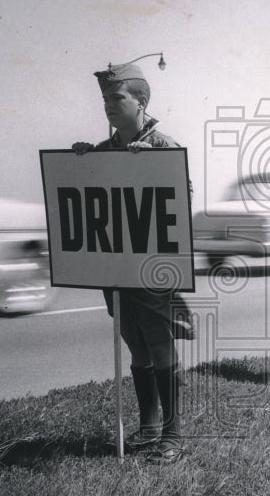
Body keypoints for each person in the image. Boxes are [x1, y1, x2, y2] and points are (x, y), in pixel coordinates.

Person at [71, 62, 185, 464]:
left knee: (159, 342)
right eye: (104, 99)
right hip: (114, 265)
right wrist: (81, 162)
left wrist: (150, 164)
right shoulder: (105, 151)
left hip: (151, 265)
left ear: (141, 101)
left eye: (116, 97)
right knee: (135, 343)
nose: (108, 105)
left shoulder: (164, 145)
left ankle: (172, 434)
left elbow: (180, 195)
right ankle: (148, 425)